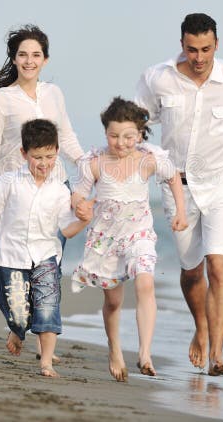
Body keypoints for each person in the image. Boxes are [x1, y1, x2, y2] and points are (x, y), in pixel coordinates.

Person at [135, 13, 223, 377]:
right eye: (192, 49)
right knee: (192, 273)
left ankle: (217, 354)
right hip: (177, 187)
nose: (199, 57)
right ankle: (201, 328)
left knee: (218, 267)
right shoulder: (158, 78)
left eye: (206, 49)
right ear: (182, 45)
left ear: (217, 45)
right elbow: (137, 123)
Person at [0, 24, 89, 361]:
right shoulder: (0, 102)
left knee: (49, 266)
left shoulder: (54, 94)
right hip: (15, 194)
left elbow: (65, 137)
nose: (29, 60)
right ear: (14, 58)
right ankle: (17, 323)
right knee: (15, 272)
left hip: (56, 188)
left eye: (36, 54)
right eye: (23, 54)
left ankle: (43, 342)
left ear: (45, 59)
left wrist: (88, 165)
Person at [70, 97, 188, 382]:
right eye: (113, 136)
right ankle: (115, 349)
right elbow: (78, 193)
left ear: (139, 134)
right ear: (105, 133)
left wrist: (181, 211)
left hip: (139, 234)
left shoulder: (147, 161)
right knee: (113, 302)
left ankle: (145, 353)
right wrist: (80, 205)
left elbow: (173, 177)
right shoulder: (95, 164)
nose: (121, 143)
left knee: (146, 283)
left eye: (128, 137)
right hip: (105, 241)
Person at [0, 119, 90, 378]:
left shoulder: (59, 191)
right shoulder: (9, 182)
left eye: (49, 155)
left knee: (47, 307)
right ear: (24, 154)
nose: (44, 163)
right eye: (37, 157)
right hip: (11, 256)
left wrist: (83, 220)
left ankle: (46, 361)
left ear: (57, 151)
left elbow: (66, 229)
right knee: (18, 312)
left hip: (46, 256)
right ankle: (17, 329)